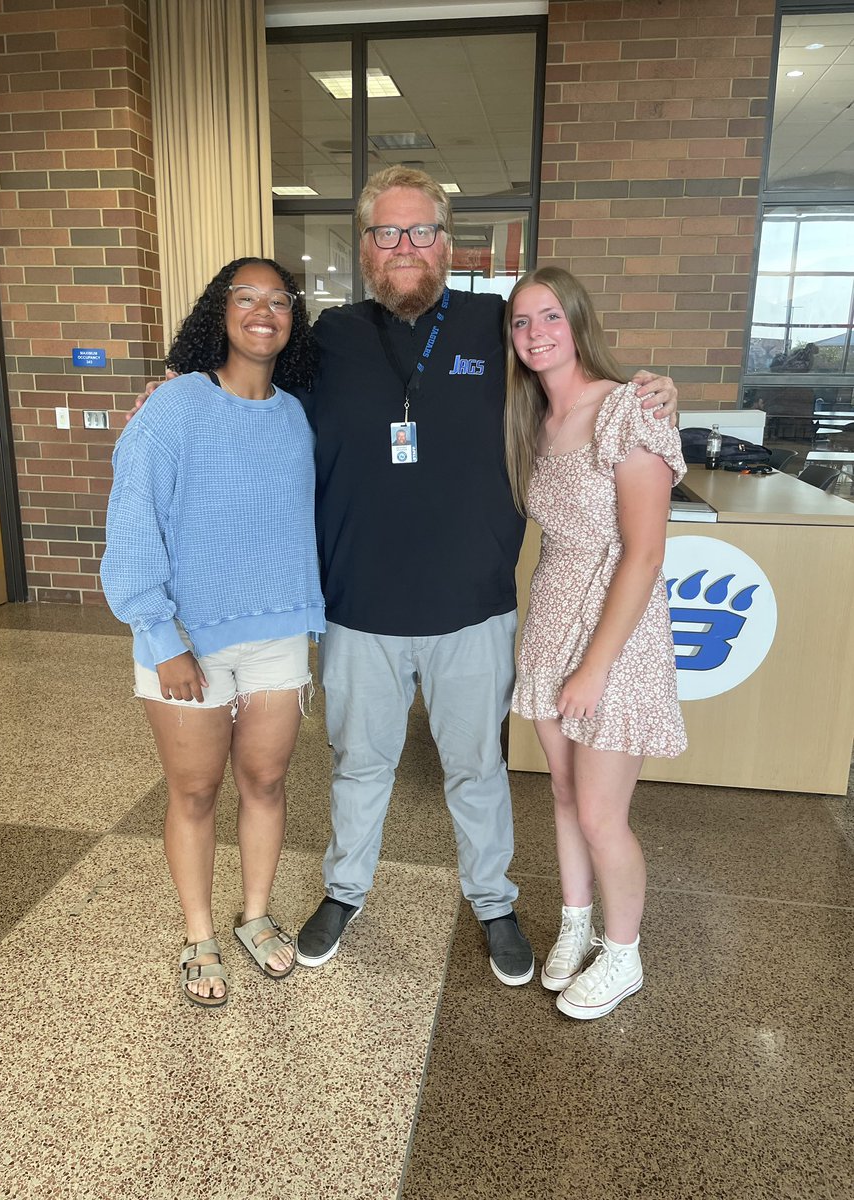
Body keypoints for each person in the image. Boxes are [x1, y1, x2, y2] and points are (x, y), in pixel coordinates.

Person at [133, 167, 679, 986]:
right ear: (364, 249)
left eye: (421, 232)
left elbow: (574, 371)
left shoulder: (497, 328)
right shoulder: (327, 341)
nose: (405, 248)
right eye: (386, 234)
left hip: (474, 611)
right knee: (359, 765)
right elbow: (244, 384)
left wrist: (655, 388)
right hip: (359, 609)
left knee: (477, 769)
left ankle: (493, 900)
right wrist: (176, 387)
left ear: (447, 243)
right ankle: (344, 892)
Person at [102, 257, 324, 1008]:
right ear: (218, 312)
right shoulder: (174, 407)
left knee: (265, 780)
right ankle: (199, 933)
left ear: (293, 318)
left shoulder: (295, 415)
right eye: (246, 297)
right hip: (186, 641)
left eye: (279, 300)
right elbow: (131, 521)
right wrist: (159, 636)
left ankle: (254, 917)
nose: (264, 311)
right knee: (195, 791)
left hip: (277, 635)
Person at [504, 266, 687, 1018]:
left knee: (602, 813)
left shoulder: (628, 411)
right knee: (564, 793)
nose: (536, 333)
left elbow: (644, 553)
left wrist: (595, 667)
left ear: (578, 322)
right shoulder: (532, 419)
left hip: (618, 628)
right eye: (521, 322)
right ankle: (575, 923)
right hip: (552, 611)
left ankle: (623, 953)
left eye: (550, 316)